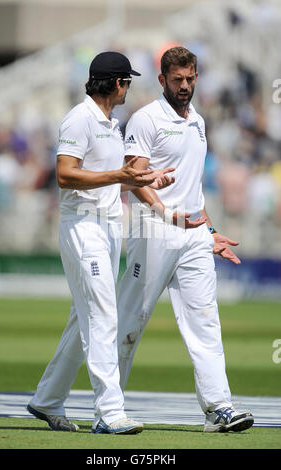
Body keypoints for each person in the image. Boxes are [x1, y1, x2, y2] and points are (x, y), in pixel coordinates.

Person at [27, 51, 174, 435]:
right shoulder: (80, 118)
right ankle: (110, 412)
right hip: (84, 227)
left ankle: (46, 400)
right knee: (103, 316)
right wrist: (117, 175)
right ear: (115, 82)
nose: (129, 87)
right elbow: (65, 174)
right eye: (127, 80)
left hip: (109, 227)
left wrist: (142, 180)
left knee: (84, 319)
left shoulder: (111, 123)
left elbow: (110, 177)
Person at [116, 46, 254, 433]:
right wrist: (166, 214)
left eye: (190, 78)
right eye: (177, 80)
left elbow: (194, 190)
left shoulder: (199, 121)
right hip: (153, 230)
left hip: (193, 235)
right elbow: (133, 178)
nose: (185, 86)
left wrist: (209, 231)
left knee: (205, 320)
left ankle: (218, 409)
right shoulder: (146, 119)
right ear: (162, 80)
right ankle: (107, 407)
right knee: (131, 320)